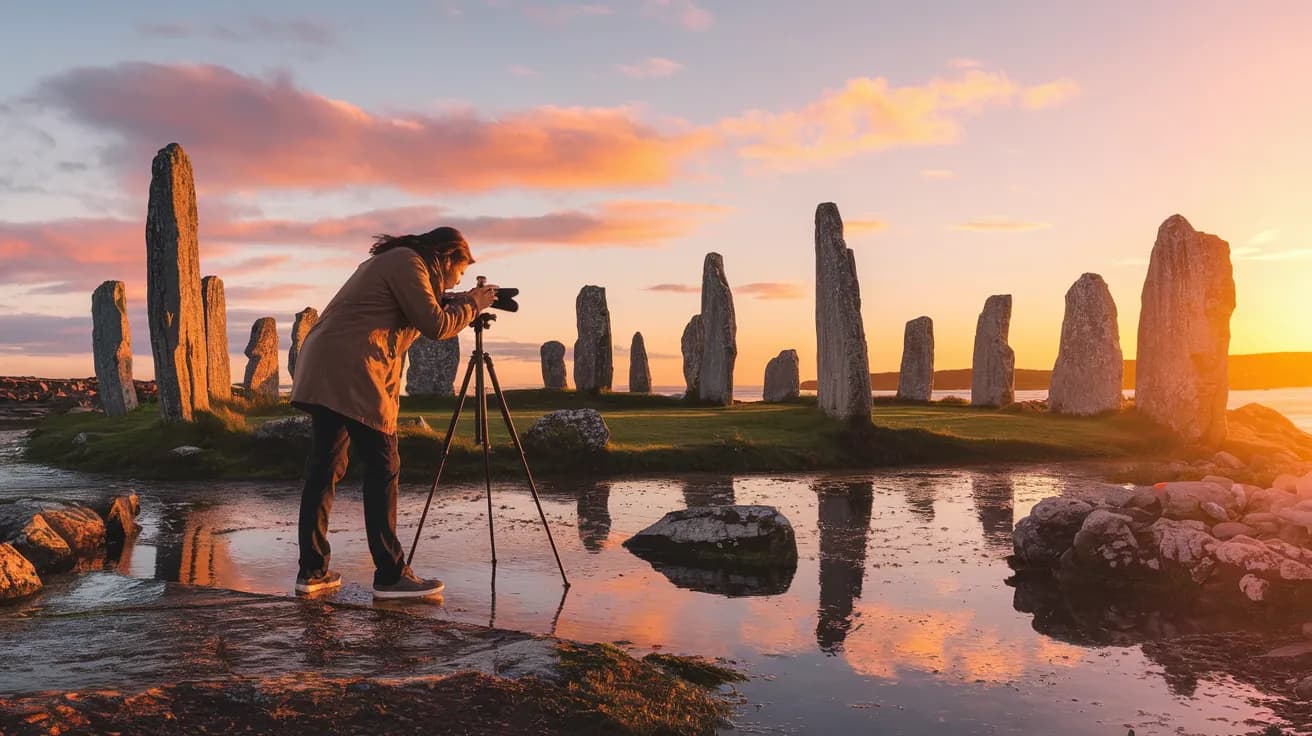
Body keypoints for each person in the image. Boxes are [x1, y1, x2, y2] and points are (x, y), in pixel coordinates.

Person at [289, 226, 497, 598]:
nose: (459, 278)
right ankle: (390, 575)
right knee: (384, 468)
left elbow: (419, 308)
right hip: (355, 370)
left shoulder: (397, 262)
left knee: (324, 470)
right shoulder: (408, 263)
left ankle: (313, 572)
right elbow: (435, 324)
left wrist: (460, 299)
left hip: (327, 368)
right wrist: (471, 305)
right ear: (448, 258)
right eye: (460, 272)